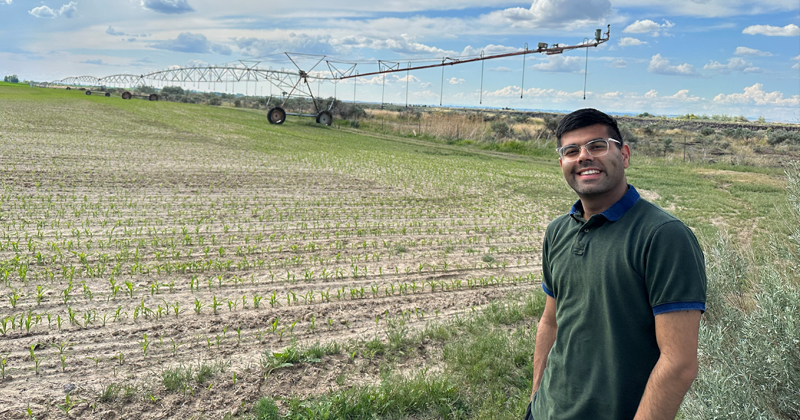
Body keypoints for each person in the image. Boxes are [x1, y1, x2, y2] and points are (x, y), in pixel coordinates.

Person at [526, 108, 706, 420]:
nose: (583, 157)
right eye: (571, 151)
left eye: (597, 145)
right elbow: (550, 322)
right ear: (562, 164)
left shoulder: (664, 237)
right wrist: (536, 398)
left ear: (623, 155)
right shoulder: (558, 231)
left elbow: (678, 363)